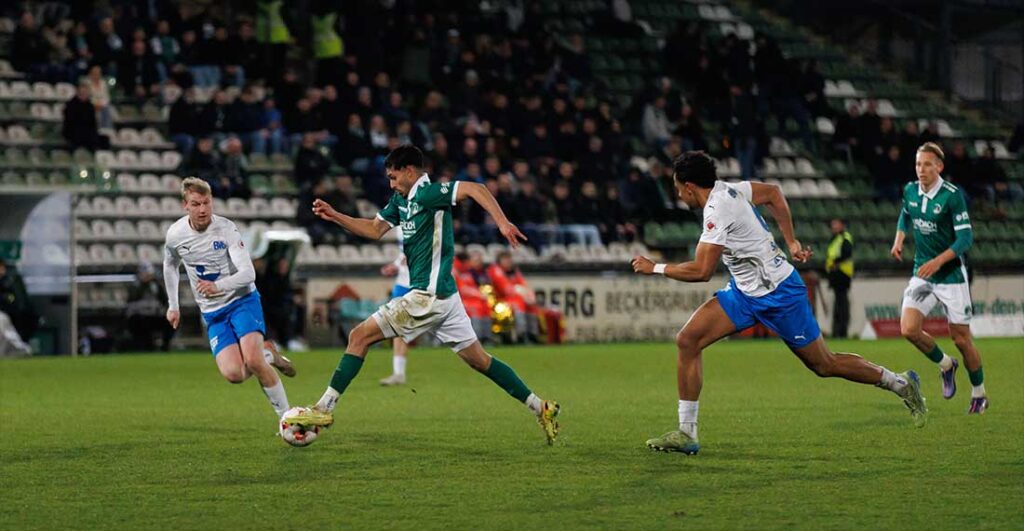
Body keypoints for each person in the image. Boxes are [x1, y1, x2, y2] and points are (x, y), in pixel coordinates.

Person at [631, 151, 927, 455]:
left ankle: (901, 384)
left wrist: (655, 267)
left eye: (679, 188)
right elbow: (772, 193)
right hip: (744, 294)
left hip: (780, 294)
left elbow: (702, 271)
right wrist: (791, 241)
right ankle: (687, 432)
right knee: (688, 341)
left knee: (824, 365)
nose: (678, 194)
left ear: (690, 186)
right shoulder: (731, 189)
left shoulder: (717, 210)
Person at [295, 145, 560, 444]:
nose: (391, 184)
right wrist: (335, 215)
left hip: (428, 296)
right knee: (479, 360)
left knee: (358, 336)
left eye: (394, 177)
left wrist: (501, 222)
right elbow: (373, 229)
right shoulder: (401, 199)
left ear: (410, 171)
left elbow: (476, 188)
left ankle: (323, 408)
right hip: (445, 298)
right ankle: (541, 407)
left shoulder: (428, 194)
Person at [163, 177, 303, 427]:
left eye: (207, 202)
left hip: (242, 301)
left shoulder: (226, 229)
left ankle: (287, 420)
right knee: (234, 374)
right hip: (213, 313)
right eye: (196, 204)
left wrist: (218, 286)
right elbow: (170, 264)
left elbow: (249, 274)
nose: (203, 209)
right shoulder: (175, 235)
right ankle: (270, 355)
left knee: (252, 360)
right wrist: (173, 305)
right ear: (185, 205)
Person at [891, 142, 987, 414]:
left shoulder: (952, 196)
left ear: (939, 167)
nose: (921, 169)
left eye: (927, 164)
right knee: (908, 329)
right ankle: (946, 364)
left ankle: (979, 392)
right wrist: (899, 240)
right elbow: (905, 214)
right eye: (918, 164)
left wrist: (938, 261)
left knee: (961, 339)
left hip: (950, 276)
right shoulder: (910, 190)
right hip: (923, 274)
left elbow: (966, 238)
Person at [378, 232, 412, 386]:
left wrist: (399, 263)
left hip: (420, 282)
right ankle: (398, 373)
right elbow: (404, 251)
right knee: (398, 327)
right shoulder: (399, 222)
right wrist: (396, 264)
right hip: (403, 283)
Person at [125, 262, 174, 351]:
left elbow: (164, 300)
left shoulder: (156, 286)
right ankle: (145, 346)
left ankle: (165, 345)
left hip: (155, 314)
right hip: (139, 315)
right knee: (136, 322)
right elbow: (131, 300)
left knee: (171, 320)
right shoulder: (135, 286)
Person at [825, 218, 854, 338]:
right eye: (833, 225)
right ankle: (837, 330)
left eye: (836, 224)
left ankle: (842, 331)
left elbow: (847, 253)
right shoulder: (835, 238)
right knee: (838, 303)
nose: (834, 227)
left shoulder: (845, 237)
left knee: (842, 304)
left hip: (842, 273)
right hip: (836, 275)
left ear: (842, 225)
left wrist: (835, 263)